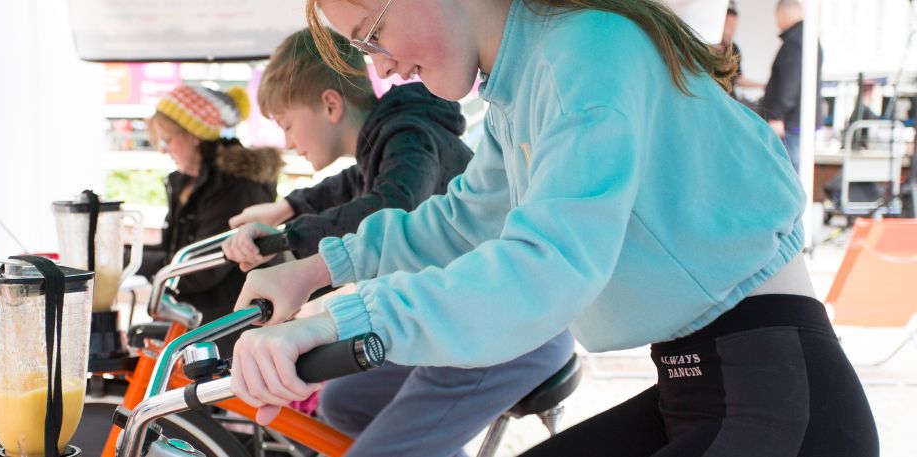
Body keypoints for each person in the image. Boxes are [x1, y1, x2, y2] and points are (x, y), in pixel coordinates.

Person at [228, 1, 878, 456]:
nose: (383, 67)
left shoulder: (586, 50)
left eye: (374, 33)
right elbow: (463, 220)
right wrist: (316, 270)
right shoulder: (527, 83)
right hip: (704, 388)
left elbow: (546, 265)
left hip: (778, 400)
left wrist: (343, 320)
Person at [220, 29, 572, 457]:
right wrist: (286, 209)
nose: (288, 142)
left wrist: (293, 244)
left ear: (330, 104)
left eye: (286, 125)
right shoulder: (391, 139)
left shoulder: (408, 136)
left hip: (501, 325)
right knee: (344, 402)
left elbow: (392, 204)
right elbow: (348, 184)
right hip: (449, 315)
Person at [135, 84, 283, 344]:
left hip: (232, 327)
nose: (162, 149)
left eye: (167, 139)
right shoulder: (187, 182)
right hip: (195, 319)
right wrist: (127, 256)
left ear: (194, 135)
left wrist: (132, 262)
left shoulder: (235, 186)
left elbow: (200, 270)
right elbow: (173, 251)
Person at [761, 0, 823, 173]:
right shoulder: (809, 40)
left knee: (788, 174)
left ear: (780, 15)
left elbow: (789, 83)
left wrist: (777, 116)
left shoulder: (794, 43)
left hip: (790, 125)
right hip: (798, 123)